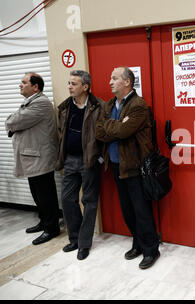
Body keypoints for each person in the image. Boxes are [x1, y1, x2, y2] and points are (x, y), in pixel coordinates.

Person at [95, 66, 160, 269]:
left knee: (141, 210)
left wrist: (113, 126)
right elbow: (98, 131)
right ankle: (138, 243)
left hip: (134, 166)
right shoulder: (109, 105)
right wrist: (116, 125)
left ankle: (151, 250)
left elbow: (124, 131)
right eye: (110, 78)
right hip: (116, 165)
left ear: (127, 82)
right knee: (127, 210)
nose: (110, 82)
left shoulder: (138, 105)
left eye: (114, 78)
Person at [5, 72, 60, 245]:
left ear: (35, 86)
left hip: (40, 158)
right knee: (38, 194)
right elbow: (15, 121)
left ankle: (52, 228)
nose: (20, 85)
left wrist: (12, 122)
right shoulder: (31, 102)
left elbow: (13, 122)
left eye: (24, 82)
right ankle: (44, 222)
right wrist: (13, 122)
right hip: (33, 158)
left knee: (45, 195)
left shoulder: (41, 103)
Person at [56, 70, 103, 260]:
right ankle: (74, 238)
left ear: (85, 87)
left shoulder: (99, 106)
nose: (69, 87)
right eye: (68, 83)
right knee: (67, 199)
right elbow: (61, 131)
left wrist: (100, 158)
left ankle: (84, 244)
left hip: (89, 160)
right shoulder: (65, 107)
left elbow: (105, 135)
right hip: (70, 160)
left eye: (73, 84)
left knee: (89, 202)